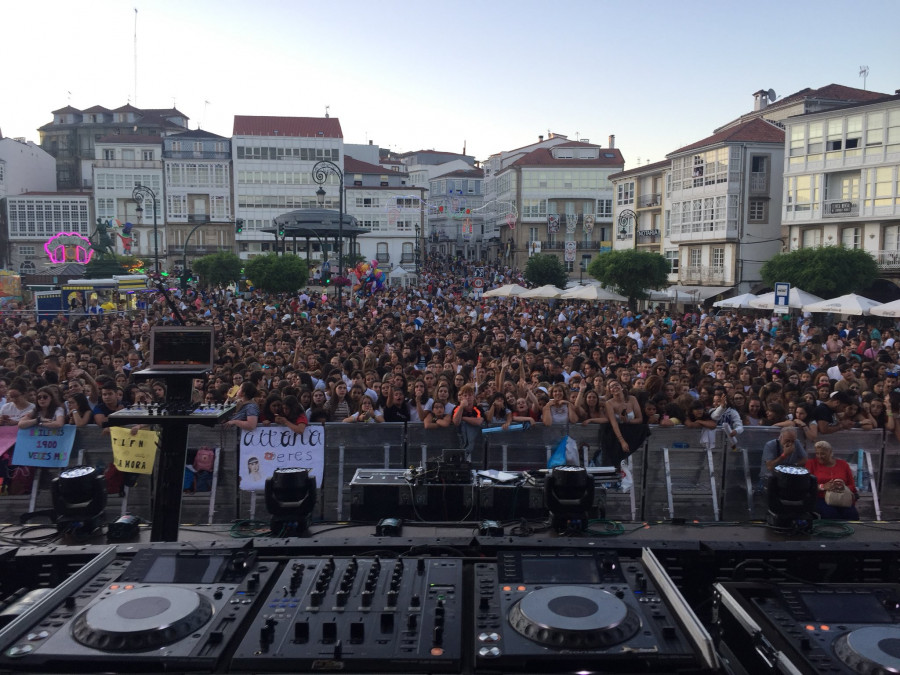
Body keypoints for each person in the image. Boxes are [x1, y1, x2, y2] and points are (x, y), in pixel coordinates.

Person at [806, 440, 858, 520]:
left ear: (830, 453)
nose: (819, 456)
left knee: (852, 515)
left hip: (842, 498)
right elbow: (807, 485)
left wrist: (842, 487)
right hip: (821, 498)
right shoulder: (811, 464)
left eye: (823, 454)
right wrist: (823, 486)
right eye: (817, 453)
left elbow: (852, 485)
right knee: (831, 515)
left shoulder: (843, 464)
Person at [452, 384, 484, 455]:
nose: (468, 397)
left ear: (473, 397)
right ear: (462, 397)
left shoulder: (478, 409)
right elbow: (456, 422)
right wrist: (461, 407)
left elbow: (479, 421)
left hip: (476, 439)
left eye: (470, 395)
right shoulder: (457, 408)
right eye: (465, 395)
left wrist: (463, 418)